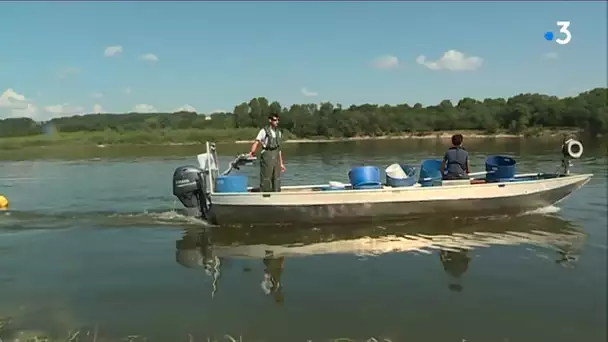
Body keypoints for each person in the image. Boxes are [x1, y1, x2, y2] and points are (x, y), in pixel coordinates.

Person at [248, 113, 286, 192]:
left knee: (276, 177)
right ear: (270, 120)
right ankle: (265, 194)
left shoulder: (278, 132)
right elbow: (256, 142)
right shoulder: (263, 131)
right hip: (267, 155)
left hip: (276, 156)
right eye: (275, 120)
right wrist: (252, 152)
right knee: (266, 176)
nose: (277, 122)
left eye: (278, 120)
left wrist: (281, 163)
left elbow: (279, 149)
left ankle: (276, 193)